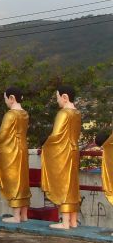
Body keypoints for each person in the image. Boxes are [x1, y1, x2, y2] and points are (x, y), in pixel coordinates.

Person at [41, 85, 81, 230]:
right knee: (72, 185)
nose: (57, 100)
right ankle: (73, 221)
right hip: (74, 151)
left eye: (57, 97)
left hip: (63, 152)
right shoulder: (77, 113)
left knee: (63, 184)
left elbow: (56, 135)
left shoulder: (63, 113)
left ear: (65, 97)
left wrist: (45, 144)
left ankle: (65, 222)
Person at [0, 86, 31, 223]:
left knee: (14, 180)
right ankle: (24, 214)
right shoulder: (25, 114)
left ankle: (16, 215)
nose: (5, 102)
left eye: (5, 99)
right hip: (23, 148)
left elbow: (2, 135)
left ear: (12, 98)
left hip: (13, 149)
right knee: (23, 180)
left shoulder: (10, 114)